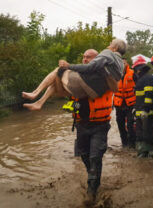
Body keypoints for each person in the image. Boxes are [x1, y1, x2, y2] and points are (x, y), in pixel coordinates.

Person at [64, 49, 113, 203]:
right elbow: (70, 97)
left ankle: (92, 190)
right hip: (82, 125)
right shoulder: (76, 77)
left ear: (96, 60)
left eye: (88, 57)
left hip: (100, 125)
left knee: (95, 157)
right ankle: (93, 176)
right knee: (84, 156)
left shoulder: (104, 77)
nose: (85, 59)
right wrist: (71, 106)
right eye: (83, 57)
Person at [22, 39, 126, 111]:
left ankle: (35, 93)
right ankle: (39, 102)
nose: (108, 46)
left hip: (88, 97)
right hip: (84, 115)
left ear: (115, 48)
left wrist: (68, 66)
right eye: (84, 57)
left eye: (88, 57)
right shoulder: (120, 65)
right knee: (57, 75)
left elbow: (89, 68)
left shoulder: (107, 54)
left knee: (59, 69)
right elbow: (60, 93)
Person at [132, 55, 153, 158]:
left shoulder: (148, 78)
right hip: (139, 112)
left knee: (148, 133)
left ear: (140, 69)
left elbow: (149, 95)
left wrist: (146, 110)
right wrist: (135, 107)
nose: (135, 72)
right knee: (140, 134)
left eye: (136, 69)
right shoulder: (141, 79)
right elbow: (139, 97)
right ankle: (143, 152)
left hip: (147, 113)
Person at [113, 58, 137, 148]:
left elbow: (139, 85)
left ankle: (132, 144)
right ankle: (124, 143)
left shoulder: (132, 73)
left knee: (131, 124)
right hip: (118, 103)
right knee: (120, 124)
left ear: (126, 63)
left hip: (131, 103)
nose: (122, 65)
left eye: (123, 62)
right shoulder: (114, 74)